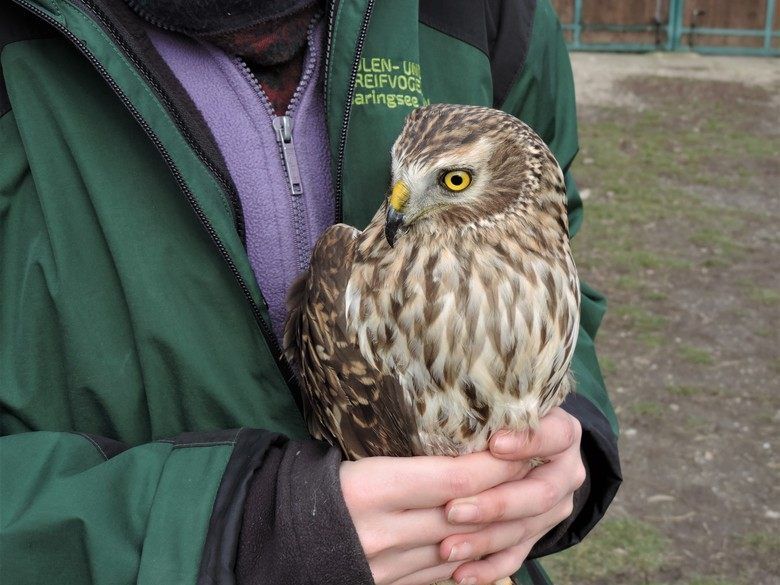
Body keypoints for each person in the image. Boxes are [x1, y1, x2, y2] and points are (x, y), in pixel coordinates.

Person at [0, 0, 622, 583]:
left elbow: (552, 242)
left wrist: (566, 449)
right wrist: (237, 538)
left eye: (453, 180)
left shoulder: (491, 12)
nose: (399, 207)